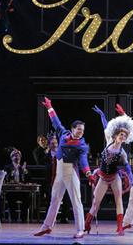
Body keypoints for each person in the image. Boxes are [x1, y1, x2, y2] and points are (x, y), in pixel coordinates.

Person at [34, 97, 95, 239]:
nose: (81, 132)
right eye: (79, 129)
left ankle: (80, 229)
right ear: (72, 129)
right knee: (54, 199)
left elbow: (83, 160)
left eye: (82, 130)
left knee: (76, 201)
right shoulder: (64, 134)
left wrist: (88, 173)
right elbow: (56, 122)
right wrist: (50, 108)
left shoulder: (82, 145)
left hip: (70, 172)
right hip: (59, 172)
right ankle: (47, 226)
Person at [84, 109, 133, 236]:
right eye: (121, 135)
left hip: (115, 177)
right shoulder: (109, 142)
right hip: (102, 176)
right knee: (96, 201)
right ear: (116, 135)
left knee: (119, 200)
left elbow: (127, 167)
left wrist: (132, 178)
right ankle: (87, 224)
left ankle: (120, 227)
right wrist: (102, 115)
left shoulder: (122, 152)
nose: (122, 137)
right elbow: (105, 126)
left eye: (124, 136)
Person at [42, 133, 71, 224]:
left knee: (67, 197)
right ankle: (50, 219)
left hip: (62, 180)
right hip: (51, 181)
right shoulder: (46, 157)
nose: (54, 145)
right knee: (52, 197)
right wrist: (54, 161)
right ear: (49, 145)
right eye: (52, 143)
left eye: (55, 143)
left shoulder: (62, 154)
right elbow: (48, 168)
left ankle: (64, 218)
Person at [3, 148, 31, 222]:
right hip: (11, 190)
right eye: (15, 156)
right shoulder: (7, 167)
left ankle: (24, 218)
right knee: (11, 199)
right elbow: (5, 177)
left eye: (18, 156)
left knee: (27, 198)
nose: (17, 157)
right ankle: (13, 218)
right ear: (12, 157)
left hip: (21, 190)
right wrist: (11, 173)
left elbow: (29, 178)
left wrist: (26, 171)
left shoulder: (22, 167)